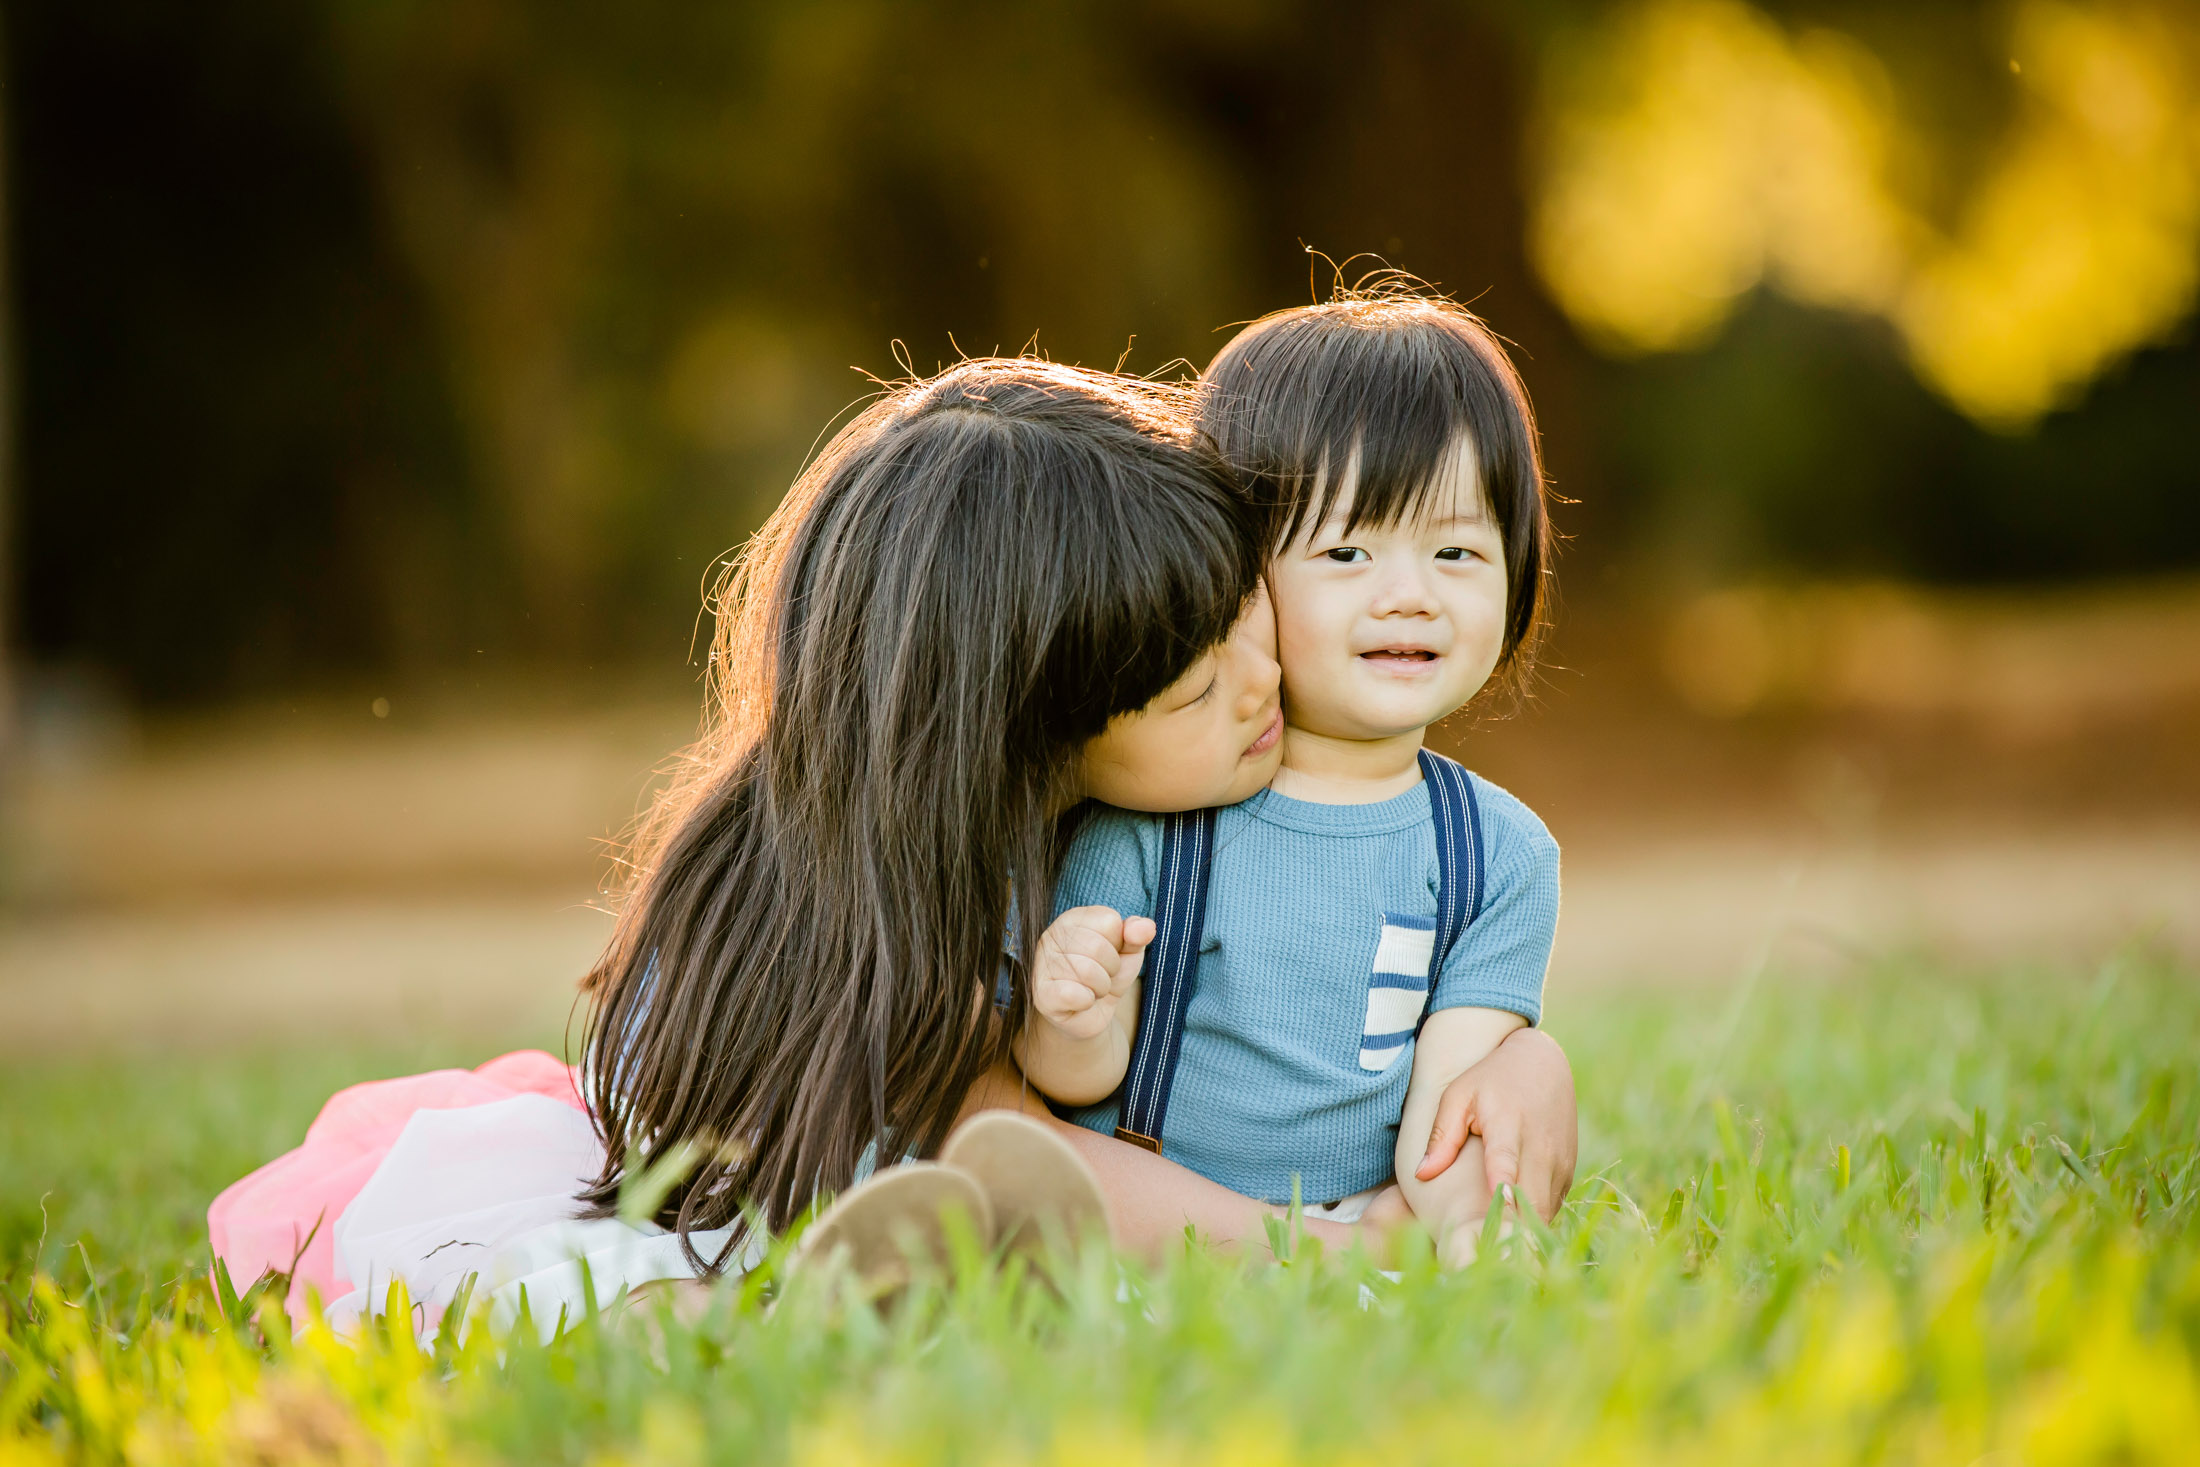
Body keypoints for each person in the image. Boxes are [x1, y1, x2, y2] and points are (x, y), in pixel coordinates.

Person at [207, 355, 1576, 1332]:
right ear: (1033, 729)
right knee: (646, 1301)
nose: (1261, 677)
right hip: (749, 1185)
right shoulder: (892, 899)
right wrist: (1322, 1251)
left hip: (935, 1185)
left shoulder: (1123, 832)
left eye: (1244, 621)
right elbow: (1019, 1147)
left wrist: (1526, 1056)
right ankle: (802, 1322)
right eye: (1189, 685)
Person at [1017, 290, 1559, 1265]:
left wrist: (1458, 1219)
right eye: (1347, 551)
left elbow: (1445, 1119)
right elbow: (1076, 1083)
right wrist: (1069, 1014)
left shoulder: (1496, 854)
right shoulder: (1159, 817)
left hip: (1359, 1224)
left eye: (1456, 551)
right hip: (1154, 1227)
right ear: (1238, 571)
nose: (1410, 596)